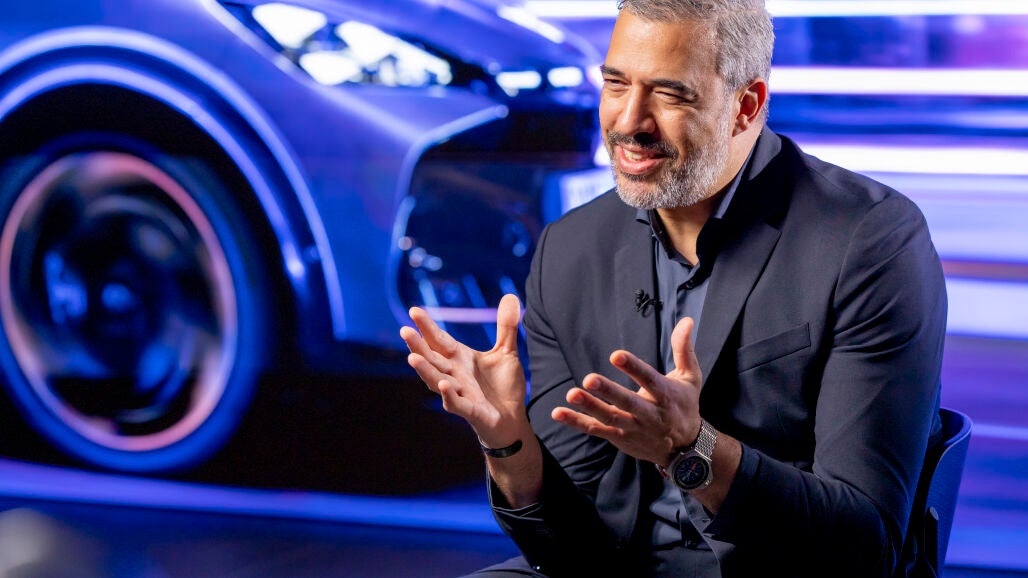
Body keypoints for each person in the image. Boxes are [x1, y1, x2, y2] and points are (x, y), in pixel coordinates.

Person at [400, 0, 947, 575]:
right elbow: (568, 551)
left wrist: (692, 450)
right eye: (616, 84)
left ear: (746, 106)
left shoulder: (869, 240)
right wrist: (508, 441)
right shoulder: (571, 248)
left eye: (670, 94)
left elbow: (864, 548)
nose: (629, 122)